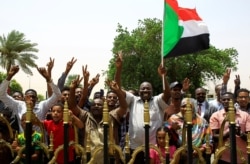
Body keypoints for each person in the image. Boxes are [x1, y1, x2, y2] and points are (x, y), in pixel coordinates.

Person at [0, 65, 61, 132]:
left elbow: (58, 95)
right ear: (24, 98)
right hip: (23, 140)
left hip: (40, 141)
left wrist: (48, 79)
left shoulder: (42, 106)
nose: (31, 98)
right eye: (28, 96)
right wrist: (9, 77)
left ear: (37, 99)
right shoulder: (18, 105)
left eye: (33, 97)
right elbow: (1, 94)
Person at [167, 97, 211, 164]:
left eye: (189, 106)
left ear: (193, 108)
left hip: (197, 156)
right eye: (183, 106)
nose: (186, 109)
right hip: (178, 156)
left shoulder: (202, 122)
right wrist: (171, 128)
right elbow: (164, 135)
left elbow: (209, 140)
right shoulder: (173, 119)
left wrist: (200, 150)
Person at [209, 92, 250, 163]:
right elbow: (214, 137)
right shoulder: (216, 116)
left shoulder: (245, 115)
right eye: (224, 100)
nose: (226, 101)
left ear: (235, 100)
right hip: (223, 156)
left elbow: (249, 137)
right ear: (221, 101)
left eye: (229, 99)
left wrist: (239, 133)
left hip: (242, 156)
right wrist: (228, 133)